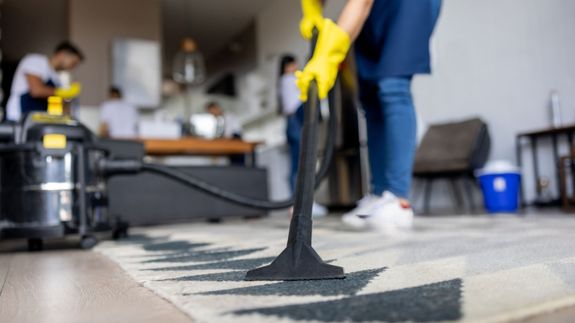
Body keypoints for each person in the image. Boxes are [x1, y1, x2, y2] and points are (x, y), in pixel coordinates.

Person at [296, 0, 441, 231]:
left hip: (408, 5)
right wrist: (312, 9)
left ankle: (398, 198)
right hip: (373, 11)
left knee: (392, 87)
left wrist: (329, 55)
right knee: (370, 100)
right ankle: (379, 194)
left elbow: (361, 2)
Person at [278, 54, 328, 218]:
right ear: (286, 66)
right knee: (302, 164)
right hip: (296, 123)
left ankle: (298, 204)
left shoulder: (283, 81)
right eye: (293, 64)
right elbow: (302, 99)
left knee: (297, 165)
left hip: (292, 124)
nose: (296, 68)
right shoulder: (289, 79)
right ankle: (301, 205)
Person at [6, 41, 84, 121]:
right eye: (73, 63)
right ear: (62, 54)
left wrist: (67, 98)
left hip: (37, 119)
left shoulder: (56, 78)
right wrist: (63, 92)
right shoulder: (36, 61)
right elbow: (36, 91)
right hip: (18, 117)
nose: (73, 67)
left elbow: (60, 105)